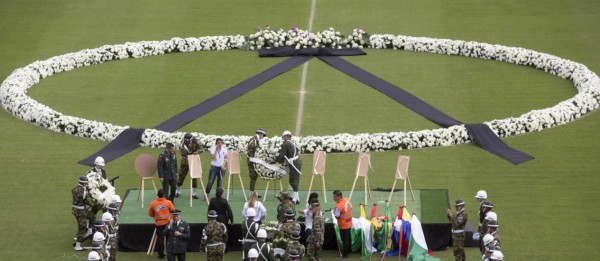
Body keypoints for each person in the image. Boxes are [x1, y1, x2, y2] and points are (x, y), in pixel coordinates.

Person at [149, 189, 176, 259]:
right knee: (169, 239)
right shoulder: (168, 202)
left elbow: (150, 214)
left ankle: (161, 255)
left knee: (160, 240)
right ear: (164, 195)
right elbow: (173, 211)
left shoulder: (153, 203)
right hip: (168, 223)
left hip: (159, 224)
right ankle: (170, 252)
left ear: (157, 195)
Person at [277, 131, 302, 204]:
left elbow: (282, 155)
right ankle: (296, 197)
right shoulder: (292, 143)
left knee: (293, 181)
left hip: (294, 163)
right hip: (297, 161)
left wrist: (275, 160)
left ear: (286, 137)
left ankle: (295, 199)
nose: (283, 139)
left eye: (283, 137)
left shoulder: (285, 144)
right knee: (295, 180)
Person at [176, 133, 203, 199]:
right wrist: (188, 150)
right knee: (181, 176)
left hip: (194, 161)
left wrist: (196, 152)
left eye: (188, 139)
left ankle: (194, 193)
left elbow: (201, 149)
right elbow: (182, 153)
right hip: (185, 162)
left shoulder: (196, 141)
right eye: (186, 139)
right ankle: (178, 190)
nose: (186, 140)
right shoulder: (183, 143)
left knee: (194, 177)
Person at [86, 157, 108, 227]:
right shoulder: (90, 172)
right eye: (100, 165)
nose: (101, 166)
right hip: (95, 196)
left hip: (102, 195)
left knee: (105, 211)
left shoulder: (103, 172)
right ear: (96, 164)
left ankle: (107, 227)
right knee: (93, 212)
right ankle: (90, 228)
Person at [247, 128, 267, 195]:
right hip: (252, 162)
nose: (263, 137)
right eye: (263, 135)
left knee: (254, 177)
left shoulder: (255, 140)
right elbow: (250, 153)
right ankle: (251, 193)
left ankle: (253, 192)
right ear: (260, 134)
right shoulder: (254, 141)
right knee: (253, 176)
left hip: (253, 161)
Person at [333, 190, 352, 259]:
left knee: (345, 240)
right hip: (349, 222)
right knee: (348, 238)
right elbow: (350, 208)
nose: (333, 198)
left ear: (339, 196)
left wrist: (334, 212)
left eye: (334, 196)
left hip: (343, 224)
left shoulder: (339, 206)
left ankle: (345, 254)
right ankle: (349, 251)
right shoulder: (346, 200)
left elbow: (337, 216)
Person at [73, 176, 88, 251]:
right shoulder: (83, 191)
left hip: (75, 210)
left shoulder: (75, 188)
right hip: (80, 211)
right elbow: (86, 201)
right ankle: (77, 246)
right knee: (82, 227)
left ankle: (89, 231)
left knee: (82, 225)